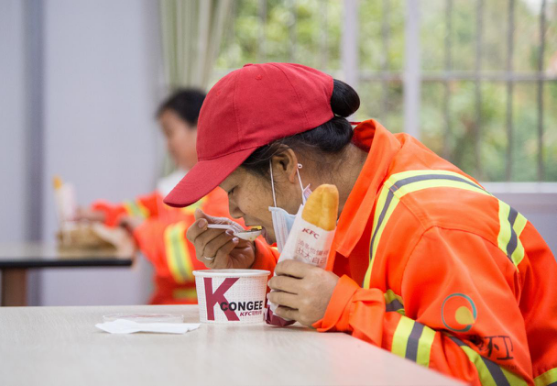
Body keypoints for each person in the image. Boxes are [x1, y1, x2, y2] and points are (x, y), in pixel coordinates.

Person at [164, 63, 557, 385]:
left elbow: (499, 377)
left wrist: (344, 307)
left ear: (284, 165)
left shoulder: (432, 225)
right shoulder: (340, 199)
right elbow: (342, 294)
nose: (232, 211)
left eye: (232, 189)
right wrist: (257, 267)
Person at [77, 89, 241, 304]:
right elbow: (141, 208)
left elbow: (195, 250)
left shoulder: (227, 186)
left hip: (204, 307)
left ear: (200, 128)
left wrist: (143, 230)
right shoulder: (183, 183)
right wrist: (98, 215)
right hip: (173, 305)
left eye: (170, 132)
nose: (167, 145)